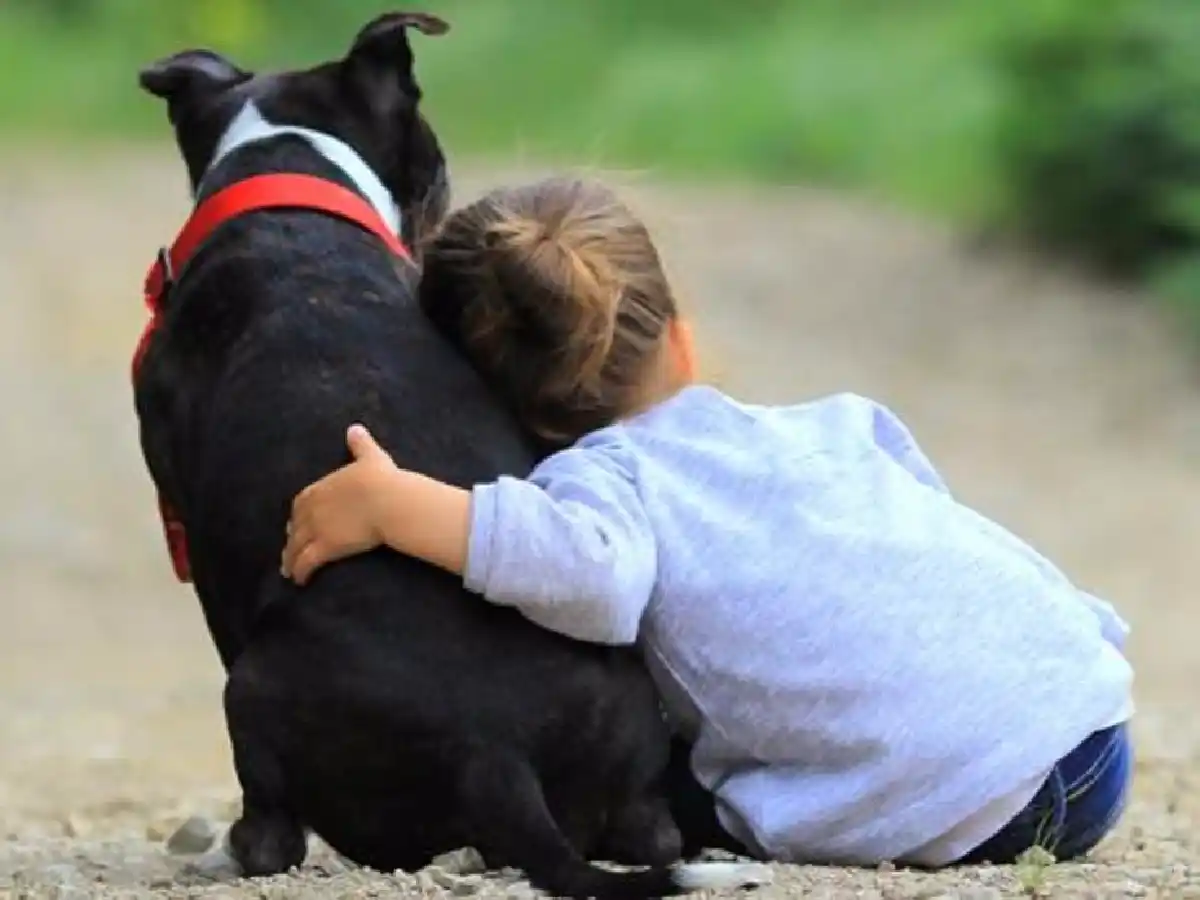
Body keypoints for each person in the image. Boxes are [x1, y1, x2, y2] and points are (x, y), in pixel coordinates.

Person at [280, 176, 1134, 868]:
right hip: (1089, 721)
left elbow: (588, 576)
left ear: (498, 417)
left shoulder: (605, 480)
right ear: (679, 339)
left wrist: (402, 506)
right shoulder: (836, 423)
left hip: (983, 803)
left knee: (651, 785)